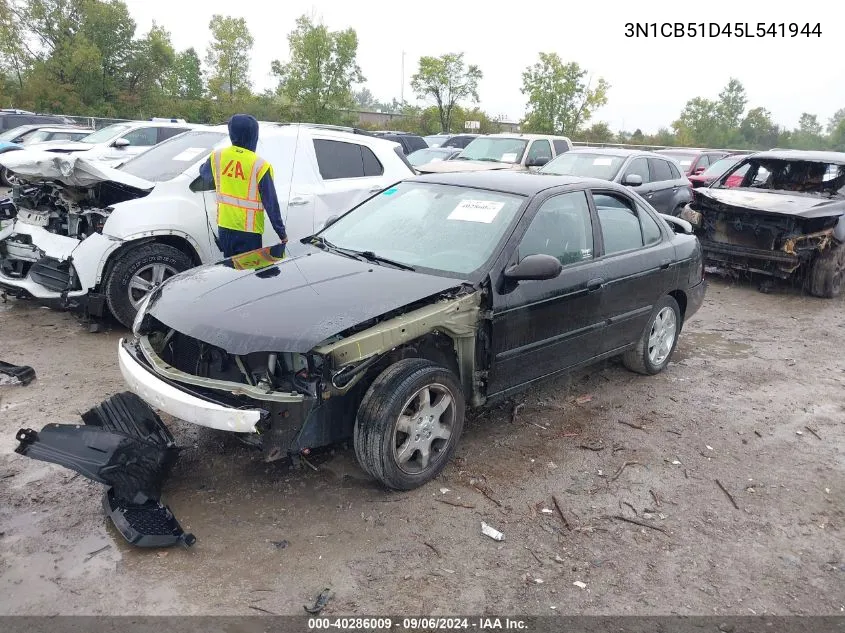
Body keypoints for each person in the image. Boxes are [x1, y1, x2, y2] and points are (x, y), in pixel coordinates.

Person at [200, 114, 287, 258]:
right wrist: (281, 233)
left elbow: (204, 174)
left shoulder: (217, 156)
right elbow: (271, 203)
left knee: (230, 270)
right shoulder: (259, 165)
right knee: (247, 275)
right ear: (254, 135)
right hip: (249, 232)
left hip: (224, 227)